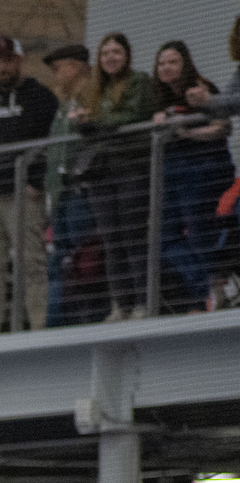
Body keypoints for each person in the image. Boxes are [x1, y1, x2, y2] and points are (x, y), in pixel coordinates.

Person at [0, 36, 59, 335]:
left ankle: (40, 324)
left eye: (8, 60)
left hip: (23, 194)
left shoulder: (40, 98)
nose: (3, 67)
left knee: (32, 264)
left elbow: (52, 142)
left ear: (20, 60)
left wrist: (36, 182)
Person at [69, 33, 163, 320]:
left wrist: (96, 124)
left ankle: (142, 303)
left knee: (133, 236)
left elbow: (135, 116)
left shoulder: (140, 83)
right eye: (106, 52)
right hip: (101, 172)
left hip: (130, 168)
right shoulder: (91, 90)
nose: (111, 57)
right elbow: (90, 128)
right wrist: (83, 125)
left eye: (117, 52)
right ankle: (120, 304)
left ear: (127, 55)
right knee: (111, 240)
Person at [151, 42, 236, 312]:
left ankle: (217, 284)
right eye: (162, 63)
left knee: (198, 230)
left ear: (185, 64)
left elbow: (223, 127)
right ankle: (208, 285)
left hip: (203, 167)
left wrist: (189, 134)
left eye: (173, 62)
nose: (167, 67)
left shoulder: (201, 89)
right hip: (172, 169)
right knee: (163, 237)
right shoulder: (160, 97)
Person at [42, 43, 104, 327]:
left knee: (84, 260)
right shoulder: (63, 107)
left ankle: (84, 319)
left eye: (59, 68)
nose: (55, 75)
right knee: (60, 261)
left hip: (80, 193)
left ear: (76, 66)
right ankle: (57, 321)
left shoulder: (92, 99)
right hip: (62, 198)